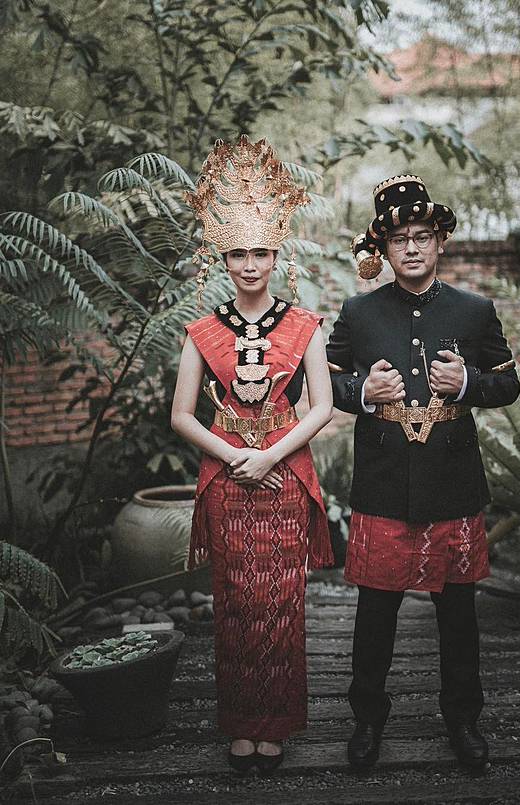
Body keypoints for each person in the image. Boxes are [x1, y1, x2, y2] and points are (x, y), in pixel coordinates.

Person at [326, 175, 520, 772]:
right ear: (383, 249)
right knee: (374, 615)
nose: (411, 248)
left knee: (458, 616)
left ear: (440, 241)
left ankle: (463, 720)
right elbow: (323, 382)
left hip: (453, 485)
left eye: (422, 236)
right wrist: (363, 391)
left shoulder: (474, 310)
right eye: (399, 239)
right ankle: (367, 720)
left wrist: (467, 384)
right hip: (383, 483)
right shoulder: (358, 313)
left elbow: (508, 384)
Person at [171, 135, 334, 776]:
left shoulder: (305, 325)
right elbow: (182, 415)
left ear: (275, 255)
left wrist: (269, 456)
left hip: (284, 477)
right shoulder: (202, 330)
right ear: (223, 257)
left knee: (282, 602)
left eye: (259, 252)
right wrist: (238, 456)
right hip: (229, 481)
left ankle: (277, 727)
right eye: (237, 252)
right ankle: (242, 725)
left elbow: (321, 407)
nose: (248, 264)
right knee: (236, 602)